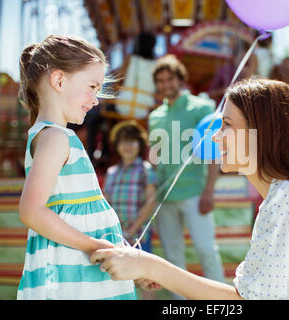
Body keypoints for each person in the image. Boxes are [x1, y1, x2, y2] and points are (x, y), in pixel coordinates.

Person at [91, 78, 289, 300]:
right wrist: (153, 269)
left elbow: (242, 301)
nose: (215, 137)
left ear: (263, 132)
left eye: (226, 125)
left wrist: (151, 267)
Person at [16, 34, 136, 300]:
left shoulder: (56, 137)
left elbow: (90, 216)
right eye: (92, 86)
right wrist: (96, 246)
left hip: (82, 275)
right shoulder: (55, 137)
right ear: (59, 80)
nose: (95, 99)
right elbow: (31, 211)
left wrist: (128, 259)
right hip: (73, 279)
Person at [146, 54, 225, 299]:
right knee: (172, 258)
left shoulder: (202, 108)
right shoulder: (154, 116)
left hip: (195, 193)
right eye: (160, 80)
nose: (165, 84)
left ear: (180, 79)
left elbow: (214, 153)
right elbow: (156, 159)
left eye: (170, 79)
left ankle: (223, 303)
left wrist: (209, 191)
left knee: (206, 251)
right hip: (165, 197)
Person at [103, 120, 157, 300]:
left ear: (139, 145)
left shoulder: (145, 170)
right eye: (123, 141)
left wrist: (132, 230)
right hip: (117, 237)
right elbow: (106, 203)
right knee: (118, 278)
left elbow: (150, 202)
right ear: (117, 145)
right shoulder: (112, 172)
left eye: (132, 141)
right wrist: (118, 231)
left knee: (146, 279)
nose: (127, 146)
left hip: (139, 235)